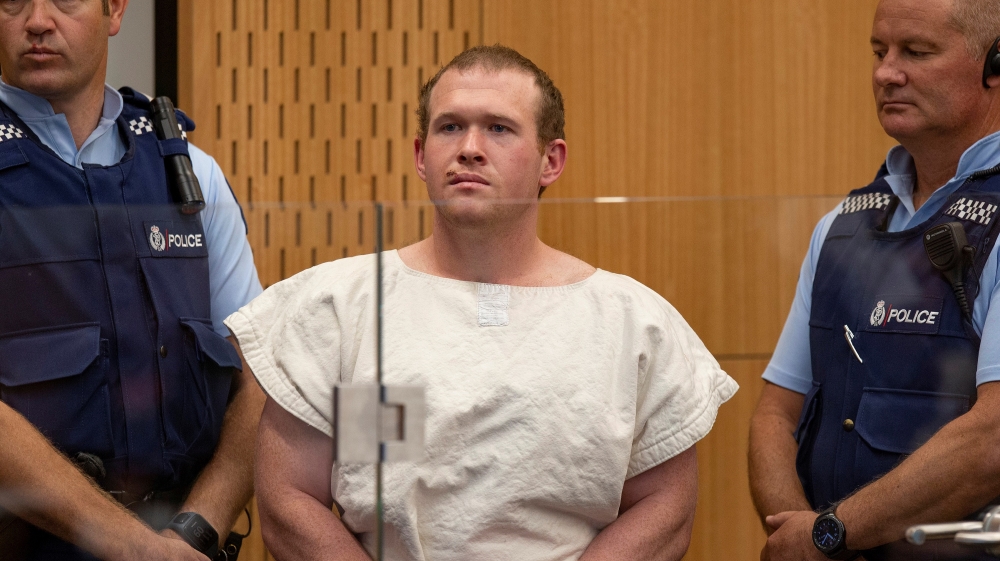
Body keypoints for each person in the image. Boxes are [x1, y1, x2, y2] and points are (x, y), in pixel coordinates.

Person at [226, 44, 738, 561]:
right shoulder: (338, 308)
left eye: (499, 128)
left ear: (550, 161)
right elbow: (290, 500)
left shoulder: (633, 322)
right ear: (421, 156)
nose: (470, 148)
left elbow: (664, 507)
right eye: (450, 127)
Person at [0, 1, 265, 560]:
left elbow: (259, 379)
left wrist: (194, 532)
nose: (37, 20)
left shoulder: (189, 174)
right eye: (13, 0)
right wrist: (137, 549)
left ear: (115, 10)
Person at [748, 0, 1000, 559]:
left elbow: (994, 440)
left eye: (916, 52)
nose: (886, 72)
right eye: (878, 51)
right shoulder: (840, 226)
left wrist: (830, 533)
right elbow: (776, 414)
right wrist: (800, 538)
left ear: (995, 64)